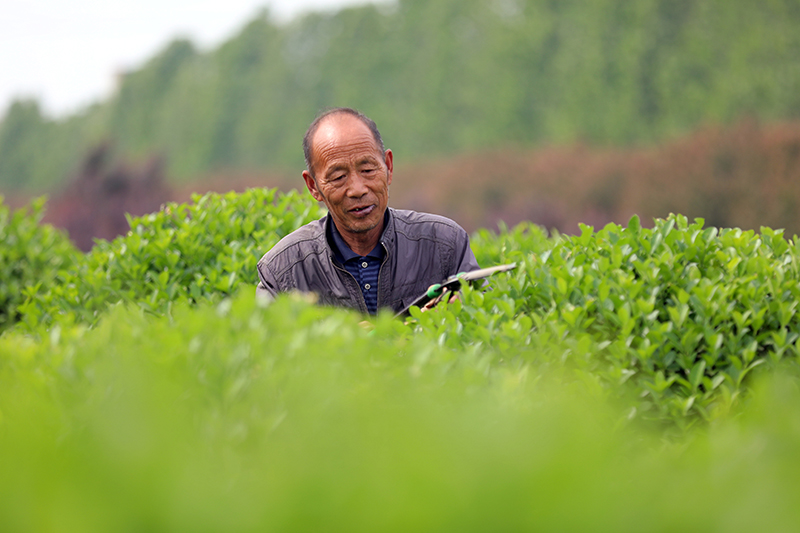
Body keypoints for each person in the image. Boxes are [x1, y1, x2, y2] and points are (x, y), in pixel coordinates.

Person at [256, 107, 480, 314]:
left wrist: (459, 312)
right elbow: (264, 349)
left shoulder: (446, 245)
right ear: (313, 187)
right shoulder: (282, 271)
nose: (357, 189)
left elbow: (487, 323)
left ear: (388, 167)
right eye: (338, 177)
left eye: (368, 169)